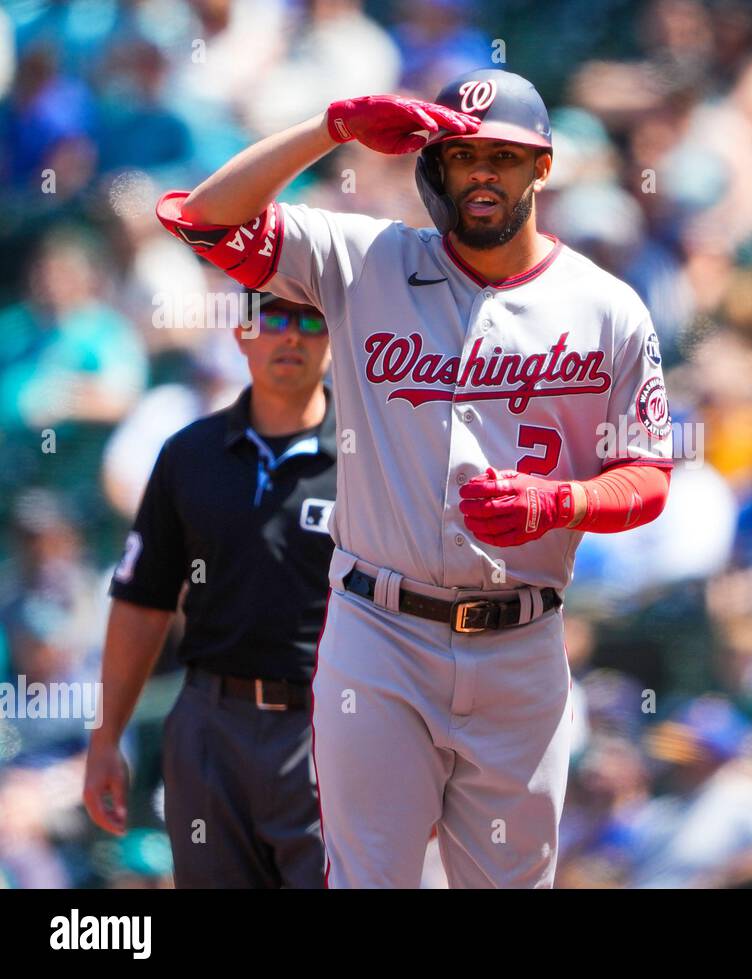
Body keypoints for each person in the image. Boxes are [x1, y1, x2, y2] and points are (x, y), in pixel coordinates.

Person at [155, 69, 674, 888]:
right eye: (462, 155)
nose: (481, 174)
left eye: (504, 157)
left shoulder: (608, 308)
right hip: (379, 630)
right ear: (435, 164)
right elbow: (205, 215)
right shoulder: (366, 259)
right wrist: (329, 126)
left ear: (542, 168)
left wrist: (562, 501)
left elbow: (646, 476)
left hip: (522, 640)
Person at [83, 291, 336, 887]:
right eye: (273, 319)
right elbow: (142, 602)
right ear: (243, 335)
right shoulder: (189, 453)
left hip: (332, 725)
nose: (291, 337)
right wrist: (106, 738)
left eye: (311, 321)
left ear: (336, 340)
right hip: (210, 723)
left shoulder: (372, 457)